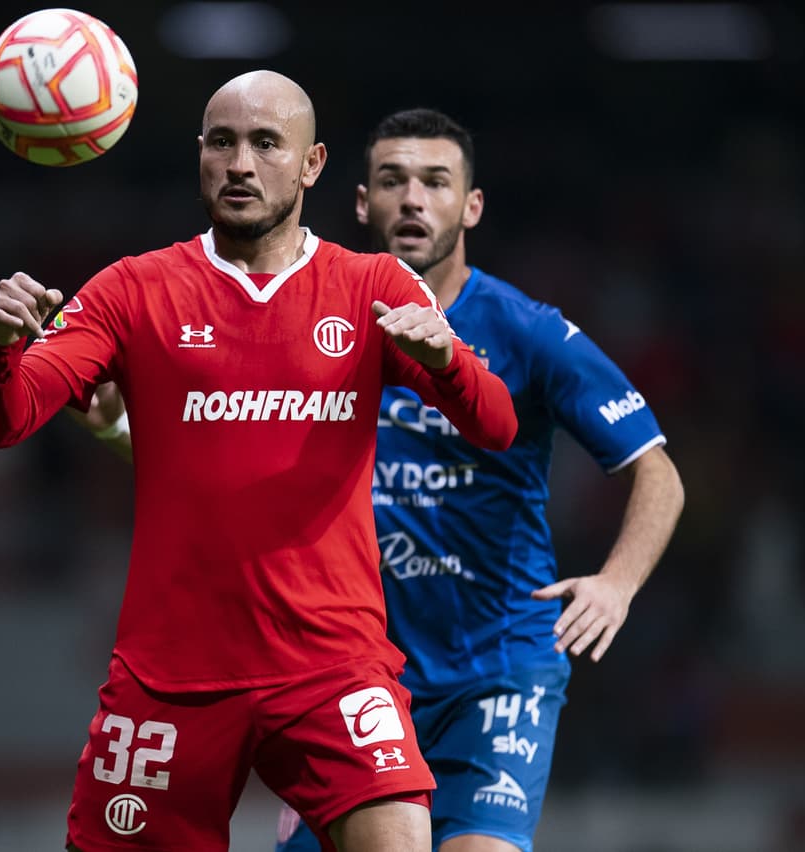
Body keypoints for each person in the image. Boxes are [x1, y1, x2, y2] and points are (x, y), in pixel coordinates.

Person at [0, 74, 517, 852]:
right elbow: (2, 422)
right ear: (200, 155)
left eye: (266, 143)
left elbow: (497, 425)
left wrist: (447, 362)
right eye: (221, 142)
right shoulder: (133, 290)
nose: (240, 164)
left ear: (312, 164)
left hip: (332, 667)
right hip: (171, 678)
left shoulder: (373, 287)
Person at [266, 110, 684, 852]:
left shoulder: (527, 330)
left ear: (472, 206)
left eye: (436, 182)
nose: (413, 199)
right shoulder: (310, 324)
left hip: (497, 666)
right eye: (393, 180)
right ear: (362, 202)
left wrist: (616, 583)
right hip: (354, 674)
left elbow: (657, 471)